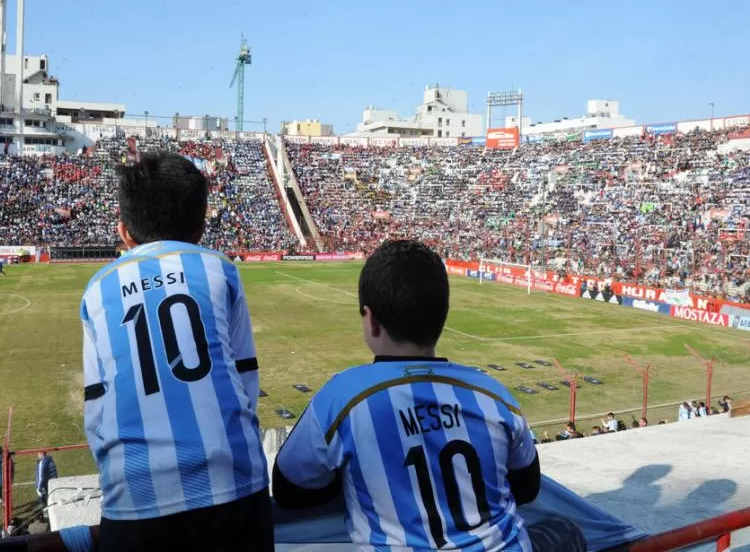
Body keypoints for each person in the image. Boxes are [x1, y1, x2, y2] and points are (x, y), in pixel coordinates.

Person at [273, 240, 586, 551]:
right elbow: (527, 487)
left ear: (370, 320)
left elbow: (289, 491)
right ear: (443, 315)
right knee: (564, 530)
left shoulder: (343, 397)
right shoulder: (492, 394)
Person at [80, 153, 270, 552]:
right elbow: (246, 379)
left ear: (124, 232)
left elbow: (96, 406)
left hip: (134, 497)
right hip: (232, 485)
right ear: (201, 228)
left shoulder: (97, 289)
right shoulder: (220, 269)